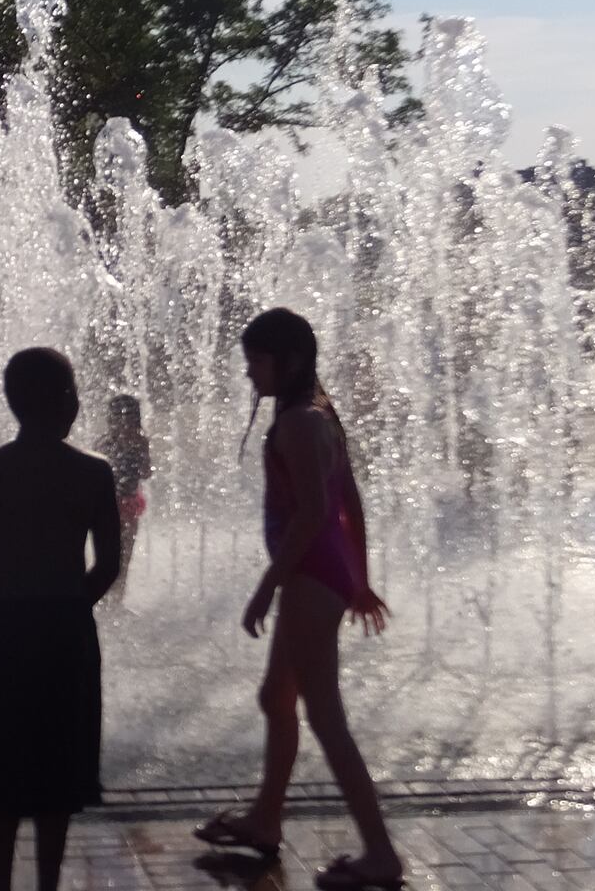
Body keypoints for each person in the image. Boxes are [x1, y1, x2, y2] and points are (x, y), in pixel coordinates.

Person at [192, 308, 403, 891]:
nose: (249, 373)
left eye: (257, 361)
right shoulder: (319, 415)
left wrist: (267, 586)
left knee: (325, 715)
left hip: (310, 577)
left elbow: (314, 513)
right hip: (321, 575)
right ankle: (265, 820)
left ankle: (381, 854)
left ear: (288, 361)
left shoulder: (299, 423)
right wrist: (357, 578)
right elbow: (349, 502)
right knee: (275, 695)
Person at [0, 347, 121, 891]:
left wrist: (6, 608)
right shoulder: (94, 473)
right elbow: (109, 565)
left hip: (4, 632)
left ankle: (0, 885)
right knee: (58, 773)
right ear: (69, 401)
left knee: (3, 771)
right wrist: (69, 606)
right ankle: (47, 884)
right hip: (66, 633)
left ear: (10, 402)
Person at [96, 393, 151, 606]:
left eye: (127, 419)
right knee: (109, 555)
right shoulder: (104, 443)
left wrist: (138, 449)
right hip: (107, 506)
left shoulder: (140, 442)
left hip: (129, 504)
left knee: (125, 556)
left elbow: (146, 473)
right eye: (118, 419)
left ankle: (117, 600)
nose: (123, 424)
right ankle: (103, 597)